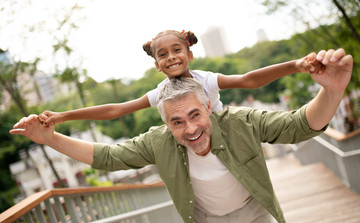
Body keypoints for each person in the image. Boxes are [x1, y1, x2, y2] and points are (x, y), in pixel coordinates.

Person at [10, 48, 353, 223]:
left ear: (208, 107)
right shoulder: (159, 142)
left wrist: (332, 90)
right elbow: (108, 157)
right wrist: (50, 138)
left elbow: (299, 126)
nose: (190, 129)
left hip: (254, 216)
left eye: (194, 116)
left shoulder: (239, 122)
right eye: (176, 122)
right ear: (164, 123)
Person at [39, 29, 322, 126]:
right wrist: (64, 116)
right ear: (157, 65)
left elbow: (248, 79)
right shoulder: (161, 92)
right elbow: (117, 109)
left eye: (177, 50)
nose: (171, 57)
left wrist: (296, 64)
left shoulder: (206, 79)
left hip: (224, 132)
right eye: (163, 55)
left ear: (190, 55)